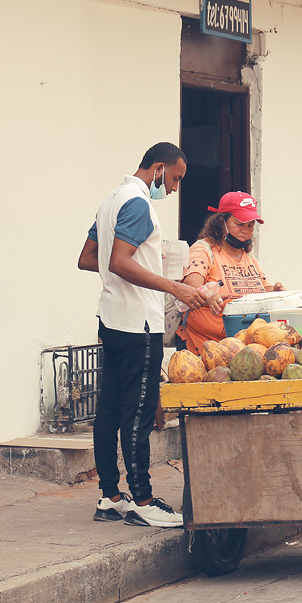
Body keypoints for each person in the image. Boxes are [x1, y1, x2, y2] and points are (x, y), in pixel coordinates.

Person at [77, 142, 205, 528]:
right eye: (176, 178)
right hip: (138, 326)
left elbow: (89, 259)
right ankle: (143, 501)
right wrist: (172, 286)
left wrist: (142, 266)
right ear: (159, 167)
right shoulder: (138, 203)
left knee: (110, 410)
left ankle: (110, 496)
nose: (175, 188)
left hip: (111, 319)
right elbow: (118, 261)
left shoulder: (110, 200)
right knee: (138, 414)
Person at [176, 191, 284, 355]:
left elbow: (263, 289)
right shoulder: (203, 249)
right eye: (239, 224)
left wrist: (275, 292)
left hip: (244, 348)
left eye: (250, 225)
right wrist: (209, 298)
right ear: (221, 222)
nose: (245, 230)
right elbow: (191, 287)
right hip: (204, 348)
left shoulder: (247, 256)